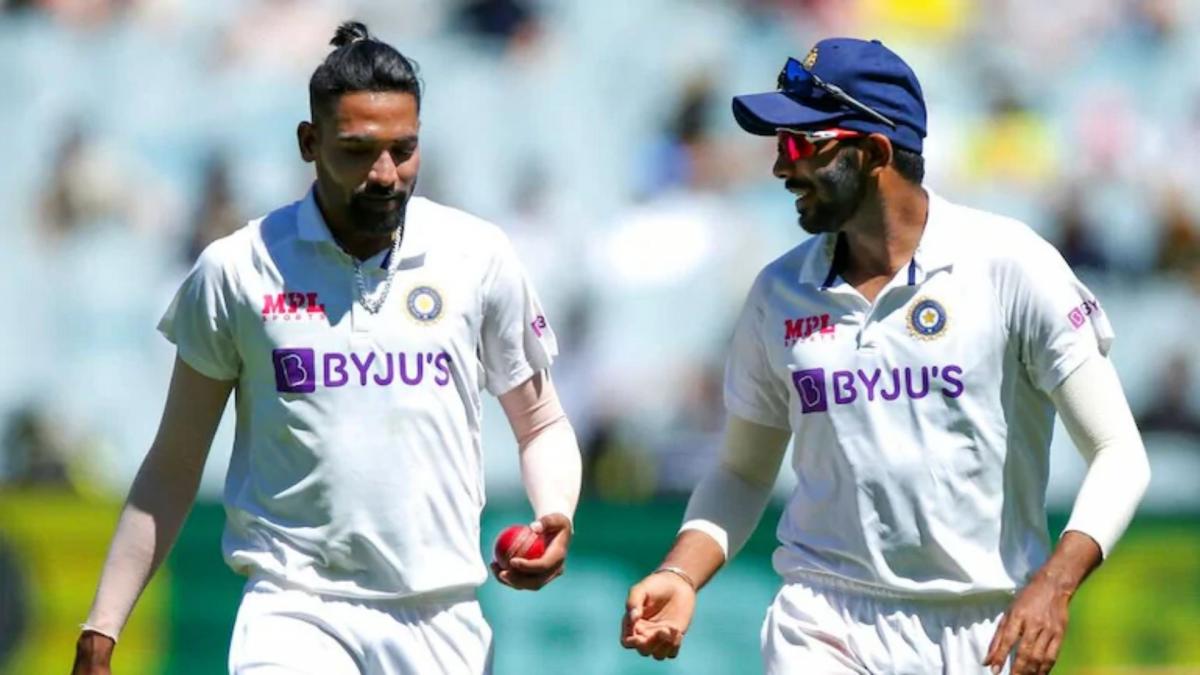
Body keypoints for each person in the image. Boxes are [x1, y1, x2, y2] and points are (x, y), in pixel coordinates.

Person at [620, 38, 1150, 674]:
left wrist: (1055, 583)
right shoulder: (777, 293)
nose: (781, 169)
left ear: (871, 152)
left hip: (984, 625)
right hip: (824, 617)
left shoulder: (1011, 264)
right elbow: (741, 471)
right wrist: (682, 572)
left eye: (799, 145)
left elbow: (1120, 454)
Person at [72, 21, 581, 675]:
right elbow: (173, 463)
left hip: (441, 617)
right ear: (309, 143)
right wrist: (102, 626)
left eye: (404, 150)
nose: (386, 175)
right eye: (358, 150)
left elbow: (540, 422)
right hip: (292, 610)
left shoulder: (476, 255)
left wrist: (554, 515)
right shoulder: (238, 269)